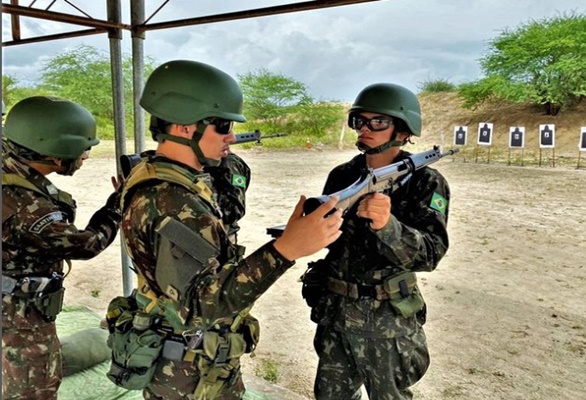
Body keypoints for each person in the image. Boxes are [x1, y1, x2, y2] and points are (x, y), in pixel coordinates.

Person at [113, 60, 342, 399]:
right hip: (190, 372)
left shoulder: (157, 175)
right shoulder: (174, 200)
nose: (231, 137)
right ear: (183, 126)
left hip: (186, 363)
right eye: (222, 126)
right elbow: (200, 306)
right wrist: (285, 250)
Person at [304, 83, 451, 399]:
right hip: (337, 314)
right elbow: (332, 241)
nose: (366, 128)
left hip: (386, 323)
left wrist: (389, 226)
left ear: (402, 128)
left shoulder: (425, 181)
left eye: (378, 122)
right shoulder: (343, 175)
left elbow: (431, 253)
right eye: (360, 121)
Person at [2, 96, 123, 399]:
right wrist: (117, 206)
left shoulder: (8, 157)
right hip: (17, 315)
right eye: (84, 149)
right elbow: (88, 244)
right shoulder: (29, 208)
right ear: (57, 156)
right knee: (34, 387)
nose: (86, 156)